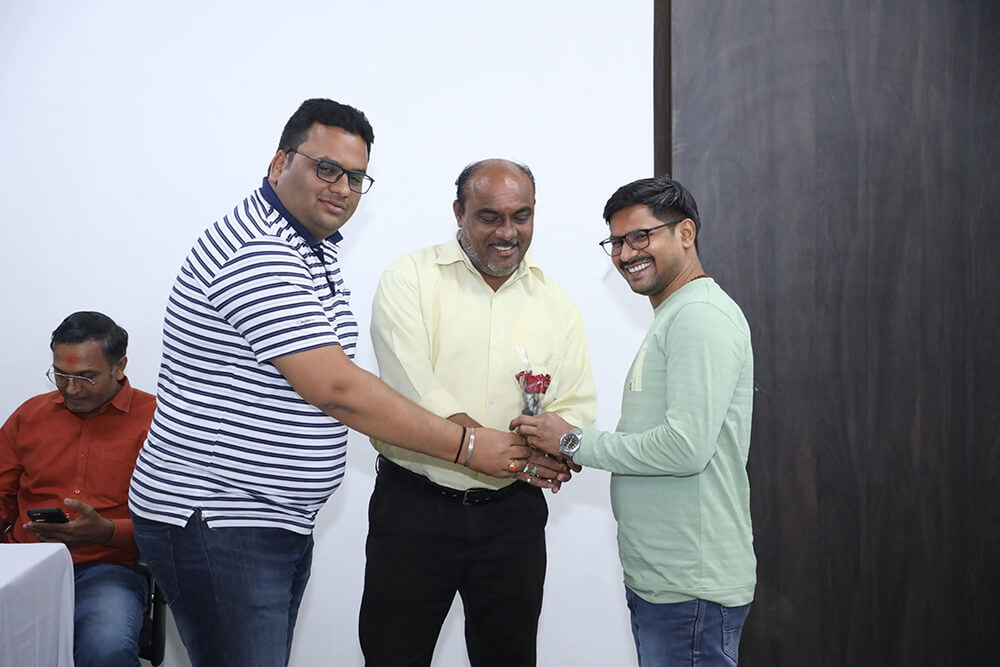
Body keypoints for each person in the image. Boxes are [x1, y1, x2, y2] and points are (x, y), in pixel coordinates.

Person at [127, 100, 531, 667]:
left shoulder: (306, 245)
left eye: (356, 177)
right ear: (279, 164)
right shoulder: (260, 251)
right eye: (326, 169)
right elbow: (336, 388)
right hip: (222, 515)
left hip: (264, 518)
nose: (342, 188)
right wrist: (467, 445)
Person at [359, 158, 598, 666]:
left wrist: (548, 452)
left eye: (521, 216)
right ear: (458, 213)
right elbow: (410, 386)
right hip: (413, 511)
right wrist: (479, 447)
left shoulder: (556, 303)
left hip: (513, 518)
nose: (507, 232)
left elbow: (573, 406)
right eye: (489, 216)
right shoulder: (410, 278)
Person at [512, 175, 756, 666]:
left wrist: (574, 442)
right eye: (617, 242)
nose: (626, 254)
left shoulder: (699, 317)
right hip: (669, 585)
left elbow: (685, 449)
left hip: (691, 589)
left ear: (685, 233)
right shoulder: (677, 315)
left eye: (641, 236)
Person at [1, 311, 156, 667]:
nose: (71, 389)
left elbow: (174, 520)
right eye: (61, 375)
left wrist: (108, 531)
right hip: (25, 564)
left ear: (119, 367)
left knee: (106, 649)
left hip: (106, 569)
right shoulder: (29, 416)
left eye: (86, 378)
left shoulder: (156, 421)